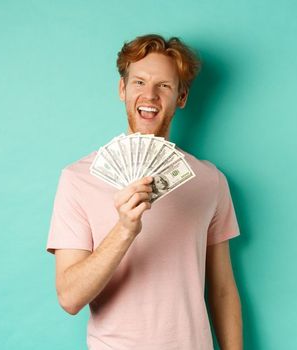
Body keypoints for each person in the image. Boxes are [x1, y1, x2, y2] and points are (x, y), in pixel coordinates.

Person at [45, 34, 243, 350]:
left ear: (182, 96)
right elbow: (69, 297)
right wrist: (124, 229)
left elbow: (222, 289)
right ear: (122, 89)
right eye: (138, 82)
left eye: (164, 85)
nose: (149, 95)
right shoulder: (77, 179)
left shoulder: (210, 181)